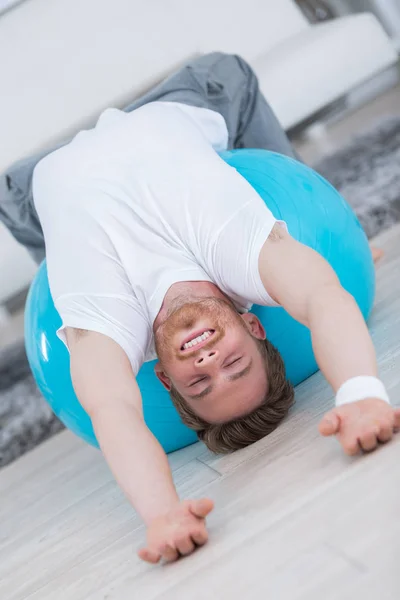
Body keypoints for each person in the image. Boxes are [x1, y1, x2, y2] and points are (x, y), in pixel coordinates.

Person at [1, 53, 398, 565]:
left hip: (32, 183)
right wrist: (362, 394)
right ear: (254, 323)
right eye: (234, 363)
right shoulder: (242, 256)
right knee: (230, 72)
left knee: (15, 197)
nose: (209, 364)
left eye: (198, 383)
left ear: (164, 377)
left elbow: (113, 411)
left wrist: (161, 514)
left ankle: (54, 244)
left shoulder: (109, 321)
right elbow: (324, 298)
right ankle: (344, 225)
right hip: (176, 107)